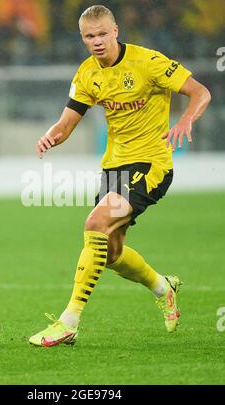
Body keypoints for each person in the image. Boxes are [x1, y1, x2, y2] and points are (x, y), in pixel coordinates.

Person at [29, 5, 211, 347]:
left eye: (102, 34)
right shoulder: (86, 74)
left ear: (115, 31)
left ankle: (68, 321)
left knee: (95, 224)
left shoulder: (148, 62)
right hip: (113, 168)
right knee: (110, 253)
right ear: (82, 38)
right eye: (89, 36)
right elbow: (67, 122)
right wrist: (51, 136)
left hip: (151, 165)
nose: (97, 42)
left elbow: (201, 92)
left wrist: (186, 119)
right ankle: (163, 287)